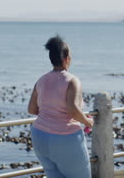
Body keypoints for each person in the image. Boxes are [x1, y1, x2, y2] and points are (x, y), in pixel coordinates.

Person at [28, 35, 94, 178]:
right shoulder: (72, 80)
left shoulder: (41, 80)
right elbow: (73, 109)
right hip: (65, 139)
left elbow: (32, 109)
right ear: (66, 59)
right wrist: (87, 122)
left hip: (39, 136)